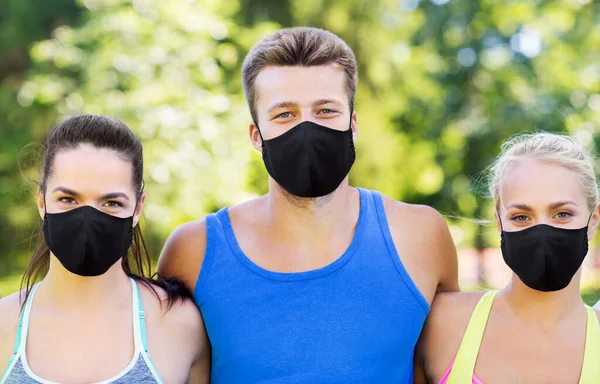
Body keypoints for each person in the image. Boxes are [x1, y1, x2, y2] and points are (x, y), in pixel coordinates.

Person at [158, 27, 458, 383]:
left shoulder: (420, 235)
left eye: (326, 110)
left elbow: (446, 365)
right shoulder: (193, 251)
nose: (307, 129)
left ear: (353, 124)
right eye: (284, 114)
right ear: (256, 135)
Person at [0, 115, 210, 384]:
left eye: (111, 203)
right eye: (68, 199)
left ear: (137, 208)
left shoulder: (179, 324)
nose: (88, 219)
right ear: (41, 201)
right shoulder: (4, 324)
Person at [415, 132, 600, 383]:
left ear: (593, 221)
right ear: (499, 223)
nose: (542, 232)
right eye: (521, 217)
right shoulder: (440, 323)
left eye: (562, 214)